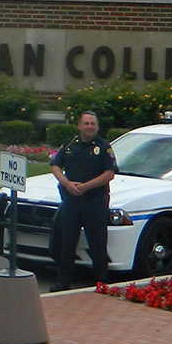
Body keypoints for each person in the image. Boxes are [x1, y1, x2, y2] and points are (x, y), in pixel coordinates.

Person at [51, 111, 119, 290]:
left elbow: (109, 174)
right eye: (86, 123)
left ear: (97, 127)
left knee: (97, 242)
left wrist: (85, 187)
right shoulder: (69, 144)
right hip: (72, 201)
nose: (89, 127)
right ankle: (63, 282)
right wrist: (66, 184)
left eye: (93, 124)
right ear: (79, 126)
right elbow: (55, 165)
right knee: (67, 242)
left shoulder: (104, 147)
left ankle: (102, 281)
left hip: (94, 201)